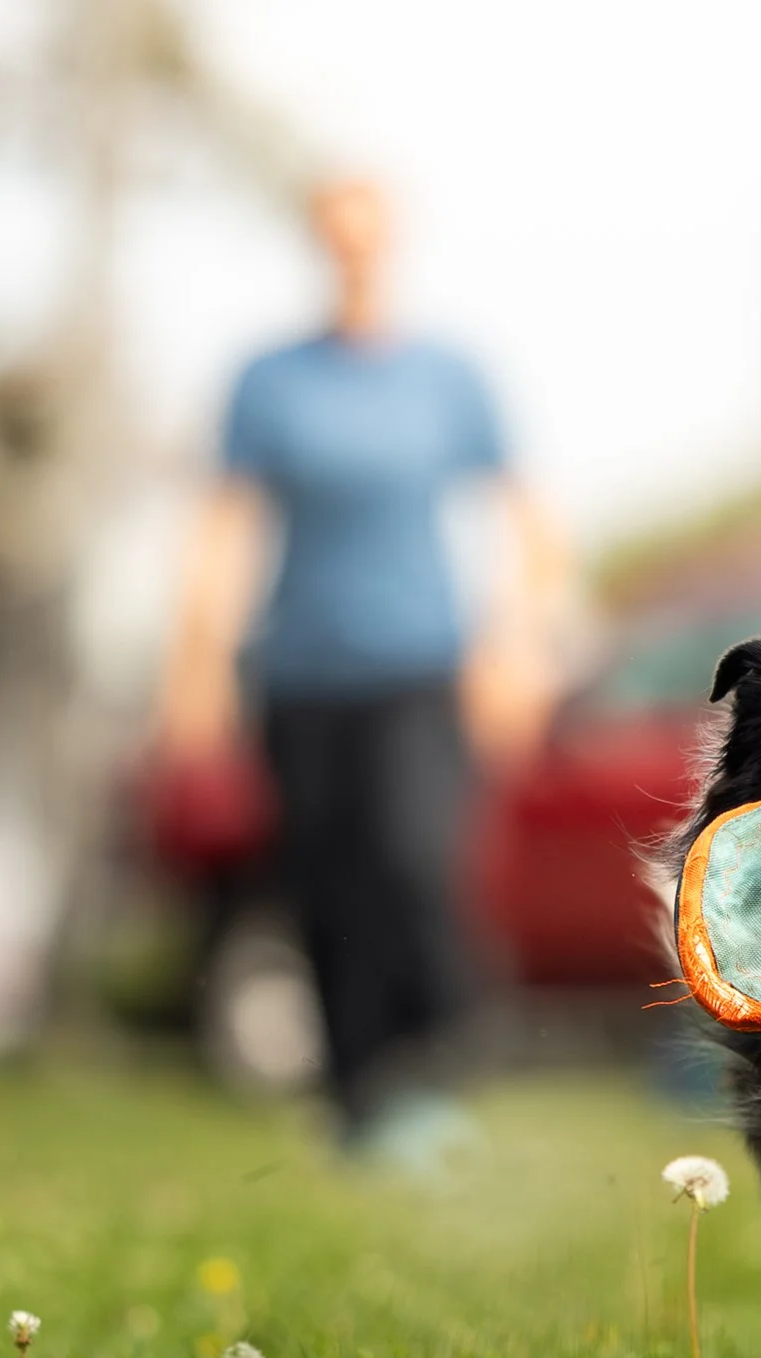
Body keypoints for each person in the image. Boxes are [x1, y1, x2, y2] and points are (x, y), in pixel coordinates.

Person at [155, 175, 566, 1149]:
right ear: (316, 244)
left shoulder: (447, 376)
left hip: (420, 667)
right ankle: (356, 1102)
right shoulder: (270, 379)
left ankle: (436, 1056)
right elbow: (225, 523)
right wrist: (197, 661)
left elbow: (531, 524)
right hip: (297, 672)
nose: (351, 252)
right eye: (333, 236)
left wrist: (515, 643)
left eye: (365, 236)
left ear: (388, 243)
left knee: (410, 860)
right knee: (325, 884)